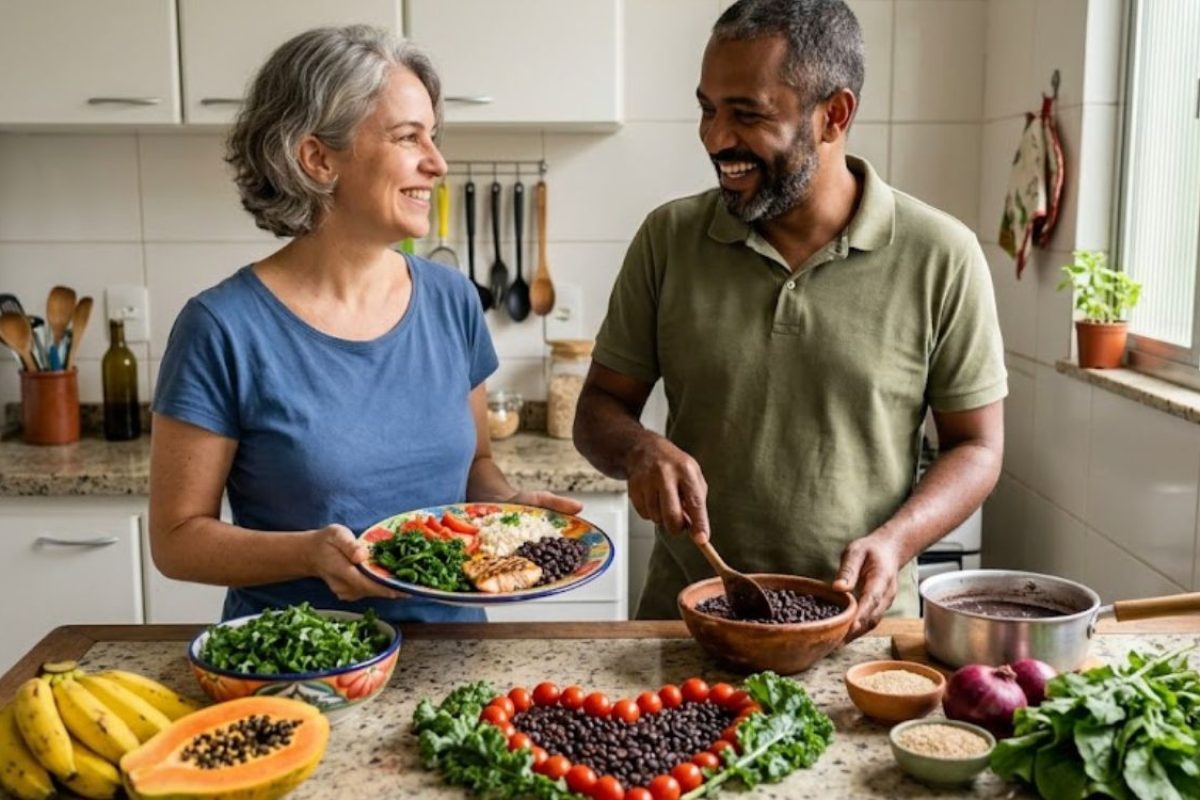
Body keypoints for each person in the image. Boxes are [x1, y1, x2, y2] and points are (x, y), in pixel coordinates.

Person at [574, 0, 1006, 639]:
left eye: (747, 114)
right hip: (687, 624)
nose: (717, 138)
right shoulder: (668, 239)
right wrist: (640, 449)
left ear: (834, 115)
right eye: (708, 109)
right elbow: (598, 409)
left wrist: (896, 541)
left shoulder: (942, 254)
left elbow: (977, 446)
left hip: (859, 630)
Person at [148, 25, 580, 624]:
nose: (437, 163)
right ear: (318, 158)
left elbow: (475, 464)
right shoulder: (221, 328)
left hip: (456, 661)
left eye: (433, 137)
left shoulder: (452, 301)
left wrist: (507, 508)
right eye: (409, 138)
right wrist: (309, 554)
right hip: (305, 667)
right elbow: (176, 540)